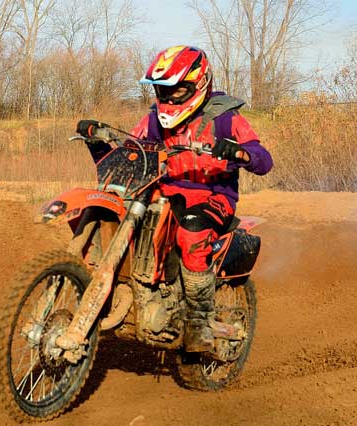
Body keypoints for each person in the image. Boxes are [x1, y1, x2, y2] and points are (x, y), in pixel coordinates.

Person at [77, 45, 273, 353]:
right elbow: (131, 152)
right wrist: (98, 142)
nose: (168, 98)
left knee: (191, 232)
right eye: (162, 90)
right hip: (161, 191)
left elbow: (263, 159)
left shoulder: (224, 118)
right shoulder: (154, 119)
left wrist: (240, 152)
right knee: (109, 212)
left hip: (211, 196)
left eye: (177, 90)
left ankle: (199, 321)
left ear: (199, 83)